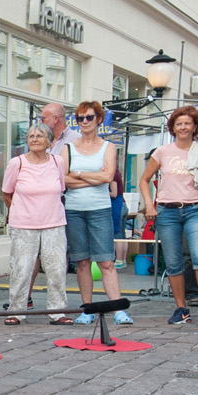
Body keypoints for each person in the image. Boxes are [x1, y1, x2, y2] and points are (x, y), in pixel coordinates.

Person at [138, 105, 198, 325]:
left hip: (196, 208)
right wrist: (149, 205)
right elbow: (144, 179)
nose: (183, 127)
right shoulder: (163, 151)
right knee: (172, 261)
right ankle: (181, 308)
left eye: (187, 123)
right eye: (179, 123)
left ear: (195, 127)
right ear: (173, 127)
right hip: (167, 210)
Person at [62, 102, 129, 324]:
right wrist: (93, 177)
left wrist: (78, 173)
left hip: (100, 209)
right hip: (74, 209)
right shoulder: (68, 148)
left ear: (99, 119)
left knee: (106, 262)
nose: (84, 122)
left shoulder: (108, 146)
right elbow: (63, 180)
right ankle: (87, 309)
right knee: (82, 261)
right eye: (80, 118)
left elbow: (108, 177)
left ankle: (118, 309)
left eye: (89, 117)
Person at [1, 122, 70, 325]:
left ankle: (58, 311)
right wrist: (20, 211)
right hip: (23, 224)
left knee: (56, 269)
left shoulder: (57, 162)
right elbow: (7, 193)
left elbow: (61, 189)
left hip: (54, 223)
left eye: (39, 136)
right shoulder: (17, 163)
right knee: (21, 269)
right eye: (31, 136)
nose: (34, 139)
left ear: (49, 141)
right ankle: (16, 310)